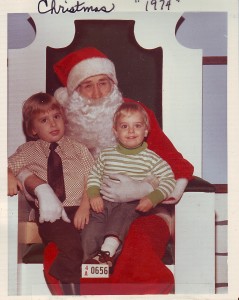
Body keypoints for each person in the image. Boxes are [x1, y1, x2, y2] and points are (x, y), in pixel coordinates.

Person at [11, 47, 194, 294]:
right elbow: (27, 158)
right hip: (86, 208)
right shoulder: (62, 121)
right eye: (87, 85)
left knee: (139, 244)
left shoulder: (132, 115)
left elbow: (175, 162)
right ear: (74, 92)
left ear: (114, 84)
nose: (97, 93)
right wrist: (23, 177)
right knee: (71, 248)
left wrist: (143, 188)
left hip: (143, 207)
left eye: (103, 83)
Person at [8, 92, 94, 295]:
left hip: (80, 209)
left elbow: (93, 180)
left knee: (95, 239)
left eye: (56, 116)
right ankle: (70, 293)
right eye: (44, 120)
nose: (53, 124)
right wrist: (9, 176)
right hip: (52, 215)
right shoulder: (29, 150)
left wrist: (84, 206)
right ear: (32, 129)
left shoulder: (78, 149)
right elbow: (8, 165)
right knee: (72, 246)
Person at [82, 102, 176, 270]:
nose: (131, 131)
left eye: (137, 126)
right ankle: (94, 265)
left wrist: (152, 198)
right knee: (90, 234)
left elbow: (169, 179)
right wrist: (94, 194)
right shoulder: (106, 154)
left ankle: (108, 251)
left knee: (122, 217)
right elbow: (94, 175)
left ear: (146, 131)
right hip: (103, 203)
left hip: (131, 205)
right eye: (124, 126)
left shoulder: (151, 158)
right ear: (115, 131)